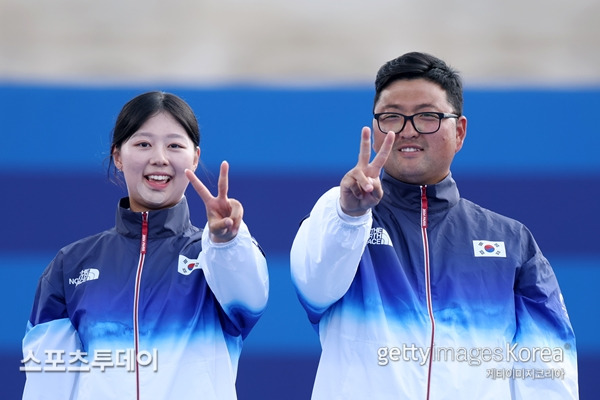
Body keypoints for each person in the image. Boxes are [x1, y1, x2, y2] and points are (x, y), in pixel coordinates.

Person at [290, 52, 578, 399]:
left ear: (459, 131)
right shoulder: (338, 213)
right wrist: (350, 217)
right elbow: (313, 289)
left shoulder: (512, 241)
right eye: (392, 117)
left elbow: (546, 369)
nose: (408, 130)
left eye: (427, 116)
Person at [21, 91, 269, 399]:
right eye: (143, 144)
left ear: (194, 157)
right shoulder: (71, 265)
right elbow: (47, 380)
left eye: (175, 145)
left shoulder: (214, 256)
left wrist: (226, 242)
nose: (159, 158)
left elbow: (252, 300)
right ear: (118, 156)